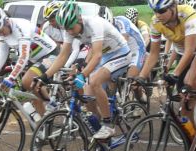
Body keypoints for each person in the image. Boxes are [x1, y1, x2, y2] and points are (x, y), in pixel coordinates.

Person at [35, 1, 132, 139]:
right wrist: (45, 76)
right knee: (87, 97)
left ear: (79, 19)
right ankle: (100, 133)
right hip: (106, 56)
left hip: (120, 53)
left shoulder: (94, 24)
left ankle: (108, 126)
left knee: (94, 81)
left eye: (71, 28)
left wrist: (82, 74)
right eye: (66, 28)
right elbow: (63, 56)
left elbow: (97, 54)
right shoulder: (69, 29)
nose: (69, 32)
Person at [0, 5, 57, 116]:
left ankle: (51, 104)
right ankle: (44, 123)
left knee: (27, 80)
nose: (1, 34)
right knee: (31, 90)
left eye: (1, 31)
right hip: (35, 58)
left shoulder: (21, 27)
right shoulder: (3, 29)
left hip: (50, 53)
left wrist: (11, 78)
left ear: (6, 22)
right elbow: (3, 52)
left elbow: (24, 56)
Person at [139, 0, 196, 128]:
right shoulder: (155, 22)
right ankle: (192, 139)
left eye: (161, 11)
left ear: (174, 7)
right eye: (155, 11)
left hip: (191, 51)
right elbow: (154, 54)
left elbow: (190, 51)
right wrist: (141, 76)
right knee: (184, 100)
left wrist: (174, 74)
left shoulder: (188, 14)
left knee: (189, 82)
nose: (158, 15)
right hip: (183, 53)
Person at [42, 0, 89, 69]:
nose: (50, 23)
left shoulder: (70, 25)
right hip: (62, 52)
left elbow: (75, 50)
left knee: (75, 68)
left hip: (79, 50)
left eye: (52, 20)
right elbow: (46, 45)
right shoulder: (47, 27)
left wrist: (65, 67)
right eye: (49, 21)